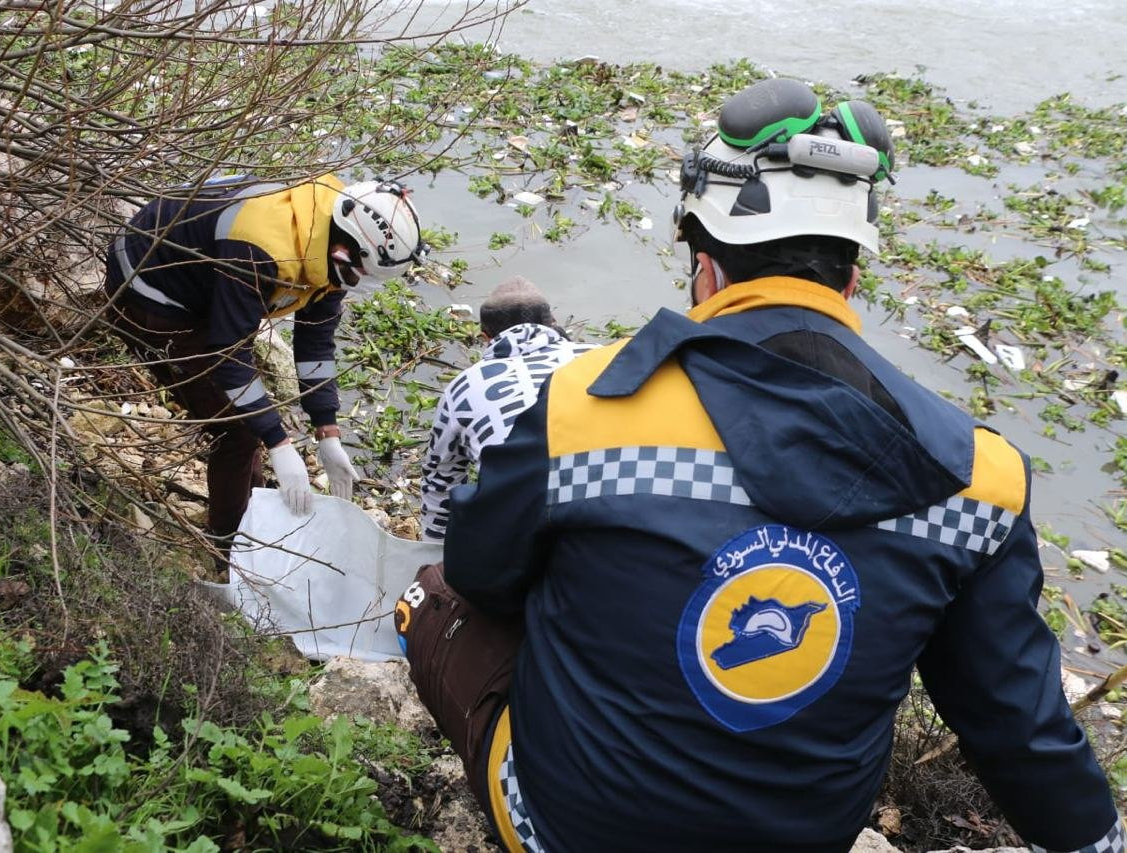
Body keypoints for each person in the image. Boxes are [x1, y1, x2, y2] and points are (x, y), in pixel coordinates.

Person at [395, 79, 1121, 852]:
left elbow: (480, 571)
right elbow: (1017, 724)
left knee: (432, 591)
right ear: (850, 281)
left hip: (558, 833)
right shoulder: (984, 476)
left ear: (707, 272)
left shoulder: (582, 404)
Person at [104, 174, 425, 566]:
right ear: (344, 249)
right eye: (362, 274)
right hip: (147, 288)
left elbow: (315, 343)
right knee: (236, 430)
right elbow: (228, 352)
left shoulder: (327, 237)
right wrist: (277, 440)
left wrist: (327, 429)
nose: (357, 283)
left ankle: (251, 516)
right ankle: (229, 547)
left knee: (248, 415)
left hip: (202, 280)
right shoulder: (260, 246)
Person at [420, 276, 594, 540]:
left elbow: (440, 481)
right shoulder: (603, 357)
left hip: (526, 532)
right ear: (553, 323)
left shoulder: (465, 385)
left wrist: (435, 553)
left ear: (485, 337)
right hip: (624, 513)